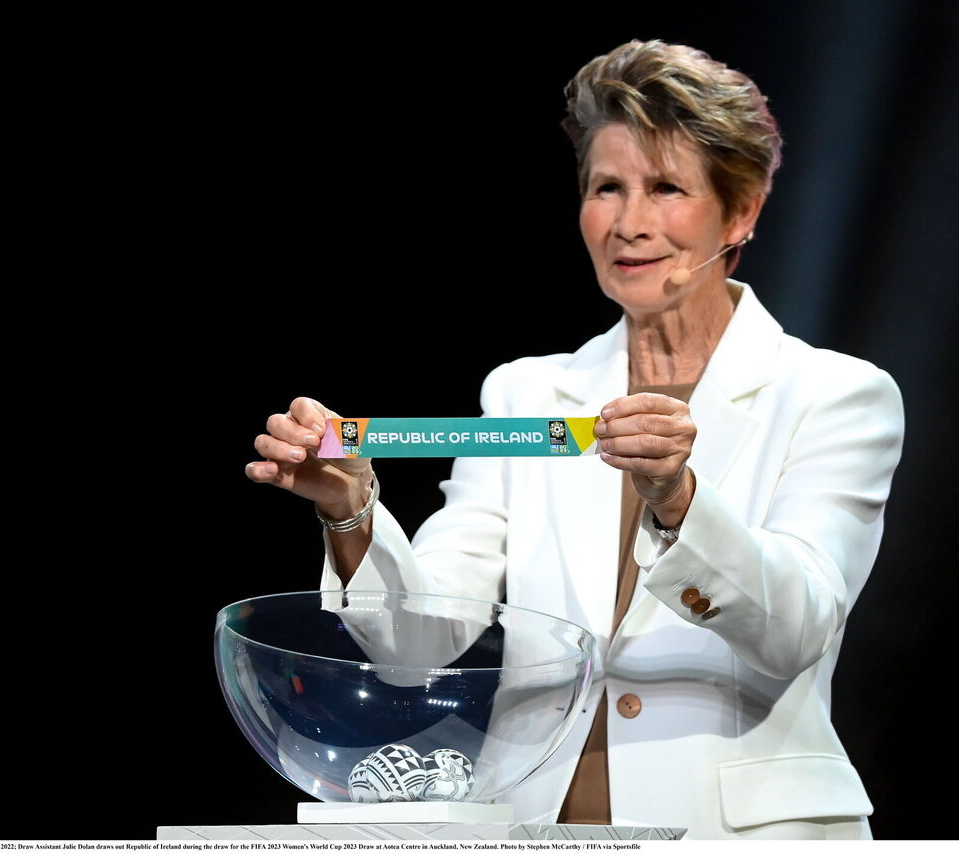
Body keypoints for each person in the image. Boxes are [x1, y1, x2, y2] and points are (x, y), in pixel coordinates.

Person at [246, 40, 904, 840]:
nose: (629, 223)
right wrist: (350, 510)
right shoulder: (525, 393)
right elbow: (418, 645)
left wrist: (679, 498)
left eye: (666, 189)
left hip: (744, 837)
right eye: (606, 188)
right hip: (533, 830)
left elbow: (795, 625)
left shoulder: (835, 396)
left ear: (741, 213)